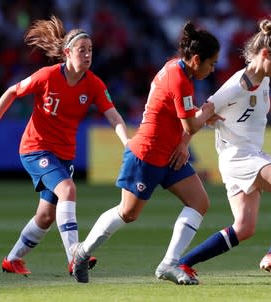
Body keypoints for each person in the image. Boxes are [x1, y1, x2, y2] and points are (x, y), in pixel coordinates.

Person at [70, 21, 221, 284]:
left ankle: (169, 264)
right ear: (196, 59)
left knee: (200, 202)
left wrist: (184, 142)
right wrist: (206, 111)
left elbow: (181, 117)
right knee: (128, 213)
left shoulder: (177, 69)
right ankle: (81, 253)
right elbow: (191, 123)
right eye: (211, 63)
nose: (213, 69)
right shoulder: (179, 78)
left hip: (171, 154)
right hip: (147, 154)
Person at [0, 15, 129, 276]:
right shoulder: (47, 76)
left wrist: (127, 142)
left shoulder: (94, 84)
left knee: (46, 216)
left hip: (64, 155)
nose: (87, 54)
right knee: (68, 190)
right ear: (67, 53)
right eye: (82, 50)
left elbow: (113, 115)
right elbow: (14, 91)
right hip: (36, 148)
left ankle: (12, 260)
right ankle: (74, 256)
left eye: (90, 50)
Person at [176, 17, 271, 283]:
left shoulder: (263, 81)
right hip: (241, 156)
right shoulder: (239, 83)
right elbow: (206, 108)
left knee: (244, 228)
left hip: (237, 157)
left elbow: (225, 113)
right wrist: (184, 143)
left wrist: (217, 119)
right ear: (264, 54)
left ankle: (184, 264)